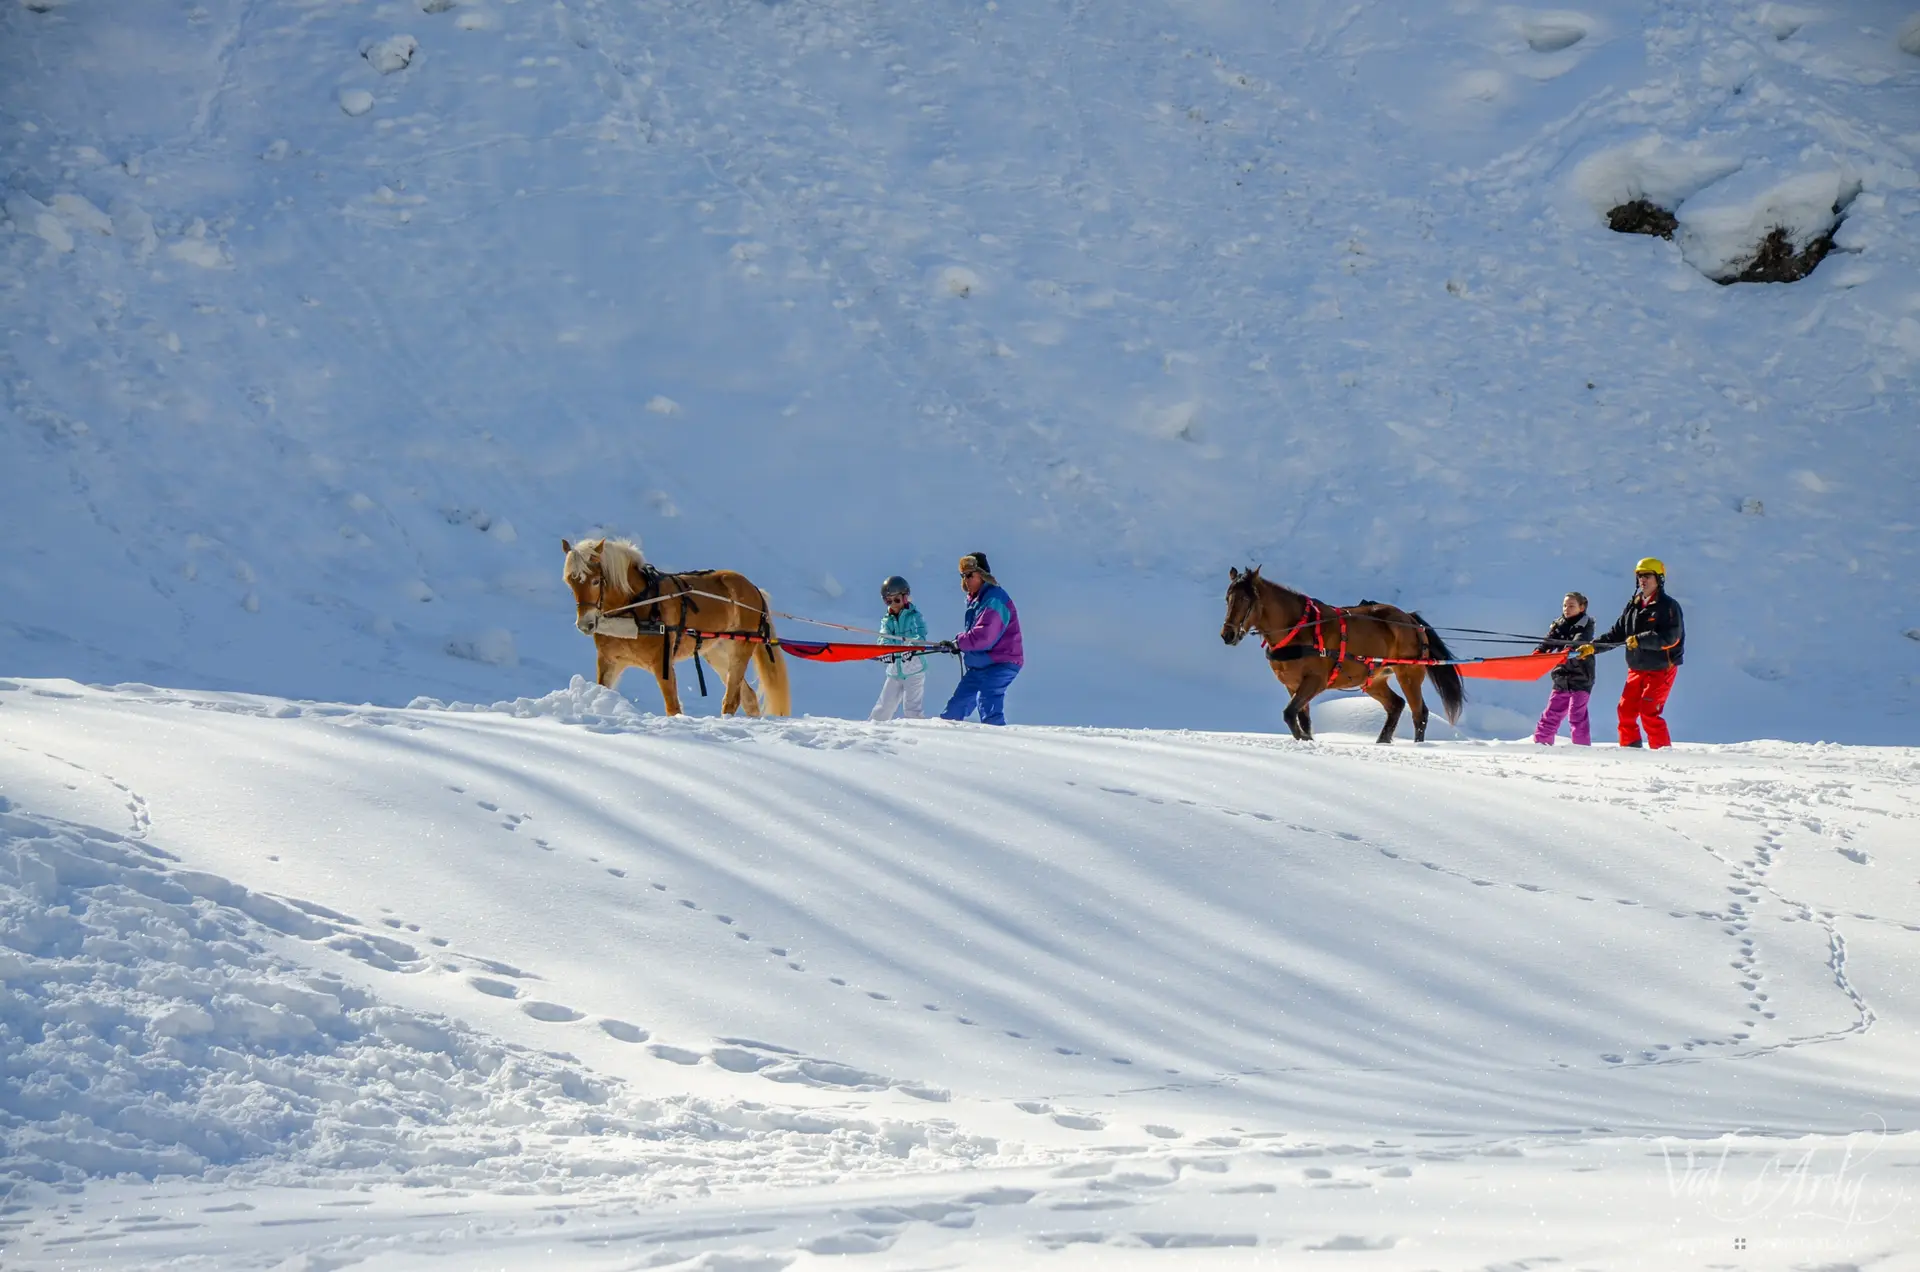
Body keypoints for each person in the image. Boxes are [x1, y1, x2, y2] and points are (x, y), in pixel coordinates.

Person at [1579, 557, 1685, 749]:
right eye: (1639, 576)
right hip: (1637, 667)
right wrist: (1593, 647)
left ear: (1659, 579)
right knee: (1625, 711)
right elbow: (1617, 634)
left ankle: (1663, 755)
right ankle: (1631, 753)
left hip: (1661, 668)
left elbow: (1671, 638)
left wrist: (1640, 639)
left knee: (1648, 712)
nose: (1642, 580)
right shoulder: (1633, 605)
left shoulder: (1669, 606)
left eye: (1647, 576)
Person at [939, 551, 1023, 725]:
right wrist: (959, 643)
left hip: (1001, 662)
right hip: (979, 665)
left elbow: (985, 637)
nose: (966, 580)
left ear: (982, 575)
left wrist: (959, 642)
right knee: (955, 708)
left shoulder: (995, 599)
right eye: (963, 576)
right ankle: (943, 744)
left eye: (970, 575)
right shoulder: (976, 600)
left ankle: (1000, 744)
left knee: (988, 699)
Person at [1531, 591, 1596, 745]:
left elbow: (1579, 639)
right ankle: (1541, 744)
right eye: (1565, 605)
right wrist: (1540, 651)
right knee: (1552, 712)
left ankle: (1581, 748)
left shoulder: (1586, 624)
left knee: (1576, 715)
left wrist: (1569, 649)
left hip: (1581, 676)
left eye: (1571, 606)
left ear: (1582, 607)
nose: (1567, 609)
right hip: (1561, 674)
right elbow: (1549, 641)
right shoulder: (1559, 624)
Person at [869, 575, 928, 721]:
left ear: (905, 597)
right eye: (888, 601)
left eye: (897, 600)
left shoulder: (914, 616)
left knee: (912, 710)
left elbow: (919, 635)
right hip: (895, 670)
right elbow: (883, 636)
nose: (893, 604)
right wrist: (884, 650)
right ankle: (872, 735)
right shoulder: (887, 619)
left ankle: (919, 736)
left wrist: (911, 647)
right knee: (883, 708)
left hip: (914, 670)